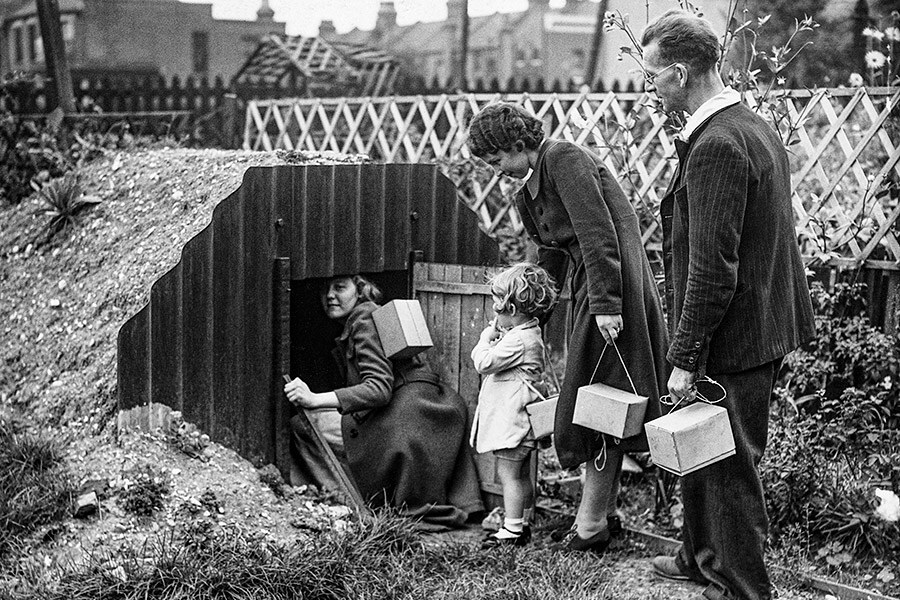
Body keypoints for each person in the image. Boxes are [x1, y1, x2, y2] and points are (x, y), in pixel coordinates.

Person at [640, 10, 816, 600]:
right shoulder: (750, 124)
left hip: (736, 333)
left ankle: (742, 586)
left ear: (682, 73)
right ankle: (697, 556)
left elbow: (714, 268)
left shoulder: (717, 144)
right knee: (699, 444)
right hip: (757, 320)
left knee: (730, 462)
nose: (651, 87)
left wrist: (686, 355)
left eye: (654, 75)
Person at [466, 103, 669, 552]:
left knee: (600, 400)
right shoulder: (528, 192)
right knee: (601, 401)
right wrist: (528, 320)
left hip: (613, 290)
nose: (497, 172)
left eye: (497, 160)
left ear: (517, 144)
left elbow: (599, 235)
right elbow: (550, 263)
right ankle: (601, 515)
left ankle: (592, 524)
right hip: (591, 291)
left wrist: (607, 305)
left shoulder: (565, 160)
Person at [284, 274, 484, 528]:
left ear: (359, 290)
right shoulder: (367, 315)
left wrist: (314, 399)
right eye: (325, 289)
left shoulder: (363, 319)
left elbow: (378, 389)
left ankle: (353, 505)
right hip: (427, 410)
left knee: (303, 426)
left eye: (339, 288)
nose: (330, 296)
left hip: (409, 414)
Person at [469, 263, 558, 548]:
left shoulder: (519, 340)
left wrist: (485, 339)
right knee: (519, 475)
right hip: (522, 419)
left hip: (515, 421)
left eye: (496, 306)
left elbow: (483, 363)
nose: (493, 311)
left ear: (512, 309)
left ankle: (512, 530)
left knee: (509, 475)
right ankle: (522, 520)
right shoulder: (527, 333)